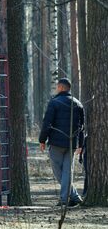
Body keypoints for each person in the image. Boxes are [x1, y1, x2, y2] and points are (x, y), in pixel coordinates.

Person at [39, 78, 85, 207]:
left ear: (60, 87)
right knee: (67, 172)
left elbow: (47, 123)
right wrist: (80, 144)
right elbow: (82, 127)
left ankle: (65, 199)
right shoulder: (78, 103)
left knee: (58, 172)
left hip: (56, 142)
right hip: (72, 144)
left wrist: (42, 140)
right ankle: (74, 196)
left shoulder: (54, 103)